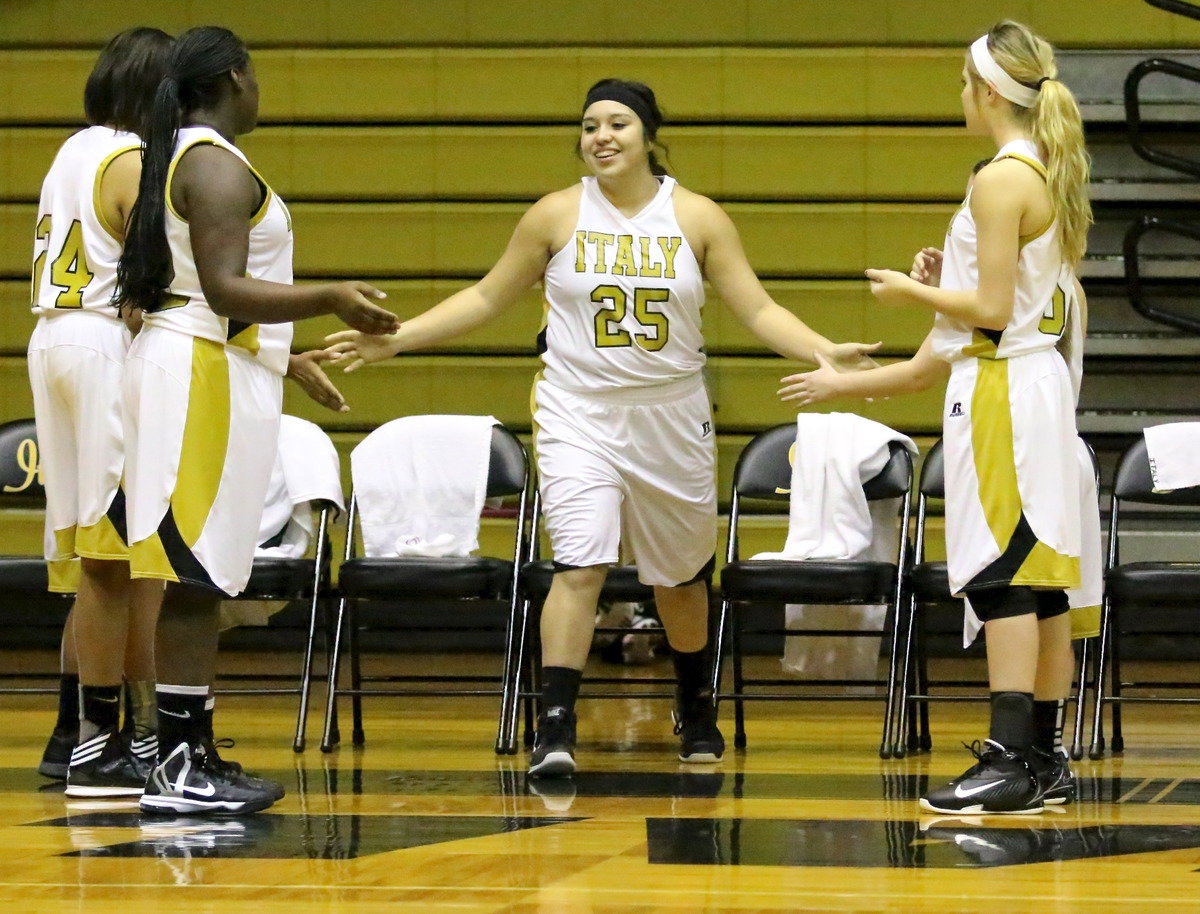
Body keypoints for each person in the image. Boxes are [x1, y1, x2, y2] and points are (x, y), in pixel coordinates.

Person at [325, 78, 879, 777]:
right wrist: (396, 338)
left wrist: (821, 349)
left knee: (680, 581)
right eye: (590, 126)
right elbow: (488, 295)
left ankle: (693, 702)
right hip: (577, 411)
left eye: (618, 123)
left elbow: (758, 308)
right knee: (580, 563)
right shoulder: (555, 215)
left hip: (671, 415)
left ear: (649, 135)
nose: (602, 137)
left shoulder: (699, 217)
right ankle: (555, 724)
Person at [780, 20, 1091, 814]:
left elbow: (986, 309)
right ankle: (1044, 757)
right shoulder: (1042, 169)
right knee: (1043, 583)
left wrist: (912, 290)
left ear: (989, 91)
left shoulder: (999, 178)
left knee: (1004, 579)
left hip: (1002, 393)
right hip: (1029, 387)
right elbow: (989, 306)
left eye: (963, 83)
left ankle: (1011, 760)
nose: (960, 96)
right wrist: (847, 379)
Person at [116, 26, 397, 815]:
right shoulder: (210, 163)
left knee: (203, 573)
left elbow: (209, 298)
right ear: (235, 77)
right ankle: (176, 764)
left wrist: (285, 357)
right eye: (256, 75)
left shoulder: (197, 157)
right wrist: (332, 297)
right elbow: (225, 287)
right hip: (195, 377)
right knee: (192, 573)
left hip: (215, 367)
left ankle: (191, 749)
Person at [28, 27, 175, 796]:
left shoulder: (72, 149)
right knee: (117, 556)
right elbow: (160, 266)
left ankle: (68, 733)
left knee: (98, 553)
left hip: (53, 338)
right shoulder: (132, 160)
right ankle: (105, 739)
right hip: (102, 342)